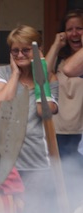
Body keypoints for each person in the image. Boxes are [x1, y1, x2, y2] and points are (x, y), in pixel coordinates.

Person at [0, 25, 58, 191]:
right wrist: (15, 75)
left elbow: (44, 111)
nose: (20, 55)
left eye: (26, 50)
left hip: (37, 159)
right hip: (5, 159)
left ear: (37, 50)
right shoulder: (2, 73)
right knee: (8, 212)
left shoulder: (49, 78)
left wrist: (39, 73)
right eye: (15, 51)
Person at [45, 9, 83, 172]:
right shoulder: (60, 59)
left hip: (80, 132)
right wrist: (56, 45)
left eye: (79, 28)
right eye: (69, 29)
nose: (74, 33)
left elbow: (70, 69)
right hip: (58, 129)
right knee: (60, 178)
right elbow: (42, 76)